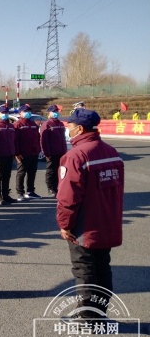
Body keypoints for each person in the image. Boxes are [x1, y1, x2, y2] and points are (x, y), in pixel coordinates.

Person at [56, 109, 124, 322]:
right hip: (107, 223)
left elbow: (68, 198)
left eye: (70, 127)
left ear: (80, 128)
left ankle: (87, 318)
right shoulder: (111, 151)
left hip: (86, 227)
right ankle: (100, 313)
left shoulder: (75, 156)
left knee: (84, 271)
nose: (68, 130)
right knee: (103, 268)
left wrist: (65, 225)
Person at [14, 104, 42, 201]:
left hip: (33, 153)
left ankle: (30, 191)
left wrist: (38, 149)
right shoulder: (18, 125)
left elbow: (37, 138)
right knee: (21, 173)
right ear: (20, 113)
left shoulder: (33, 124)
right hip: (23, 154)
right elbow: (15, 140)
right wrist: (17, 153)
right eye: (25, 111)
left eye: (29, 111)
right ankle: (20, 193)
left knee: (32, 173)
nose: (28, 113)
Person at [40, 105, 67, 197]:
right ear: (50, 113)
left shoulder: (60, 124)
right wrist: (46, 153)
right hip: (51, 152)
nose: (56, 113)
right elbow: (43, 141)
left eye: (57, 111)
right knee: (51, 171)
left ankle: (58, 187)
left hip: (61, 152)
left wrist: (65, 151)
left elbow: (63, 139)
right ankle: (50, 188)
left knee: (60, 171)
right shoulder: (47, 125)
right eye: (54, 111)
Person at [0, 104, 17, 205]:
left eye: (6, 113)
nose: (5, 114)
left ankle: (5, 194)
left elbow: (13, 140)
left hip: (9, 154)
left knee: (7, 175)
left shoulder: (11, 126)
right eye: (3, 113)